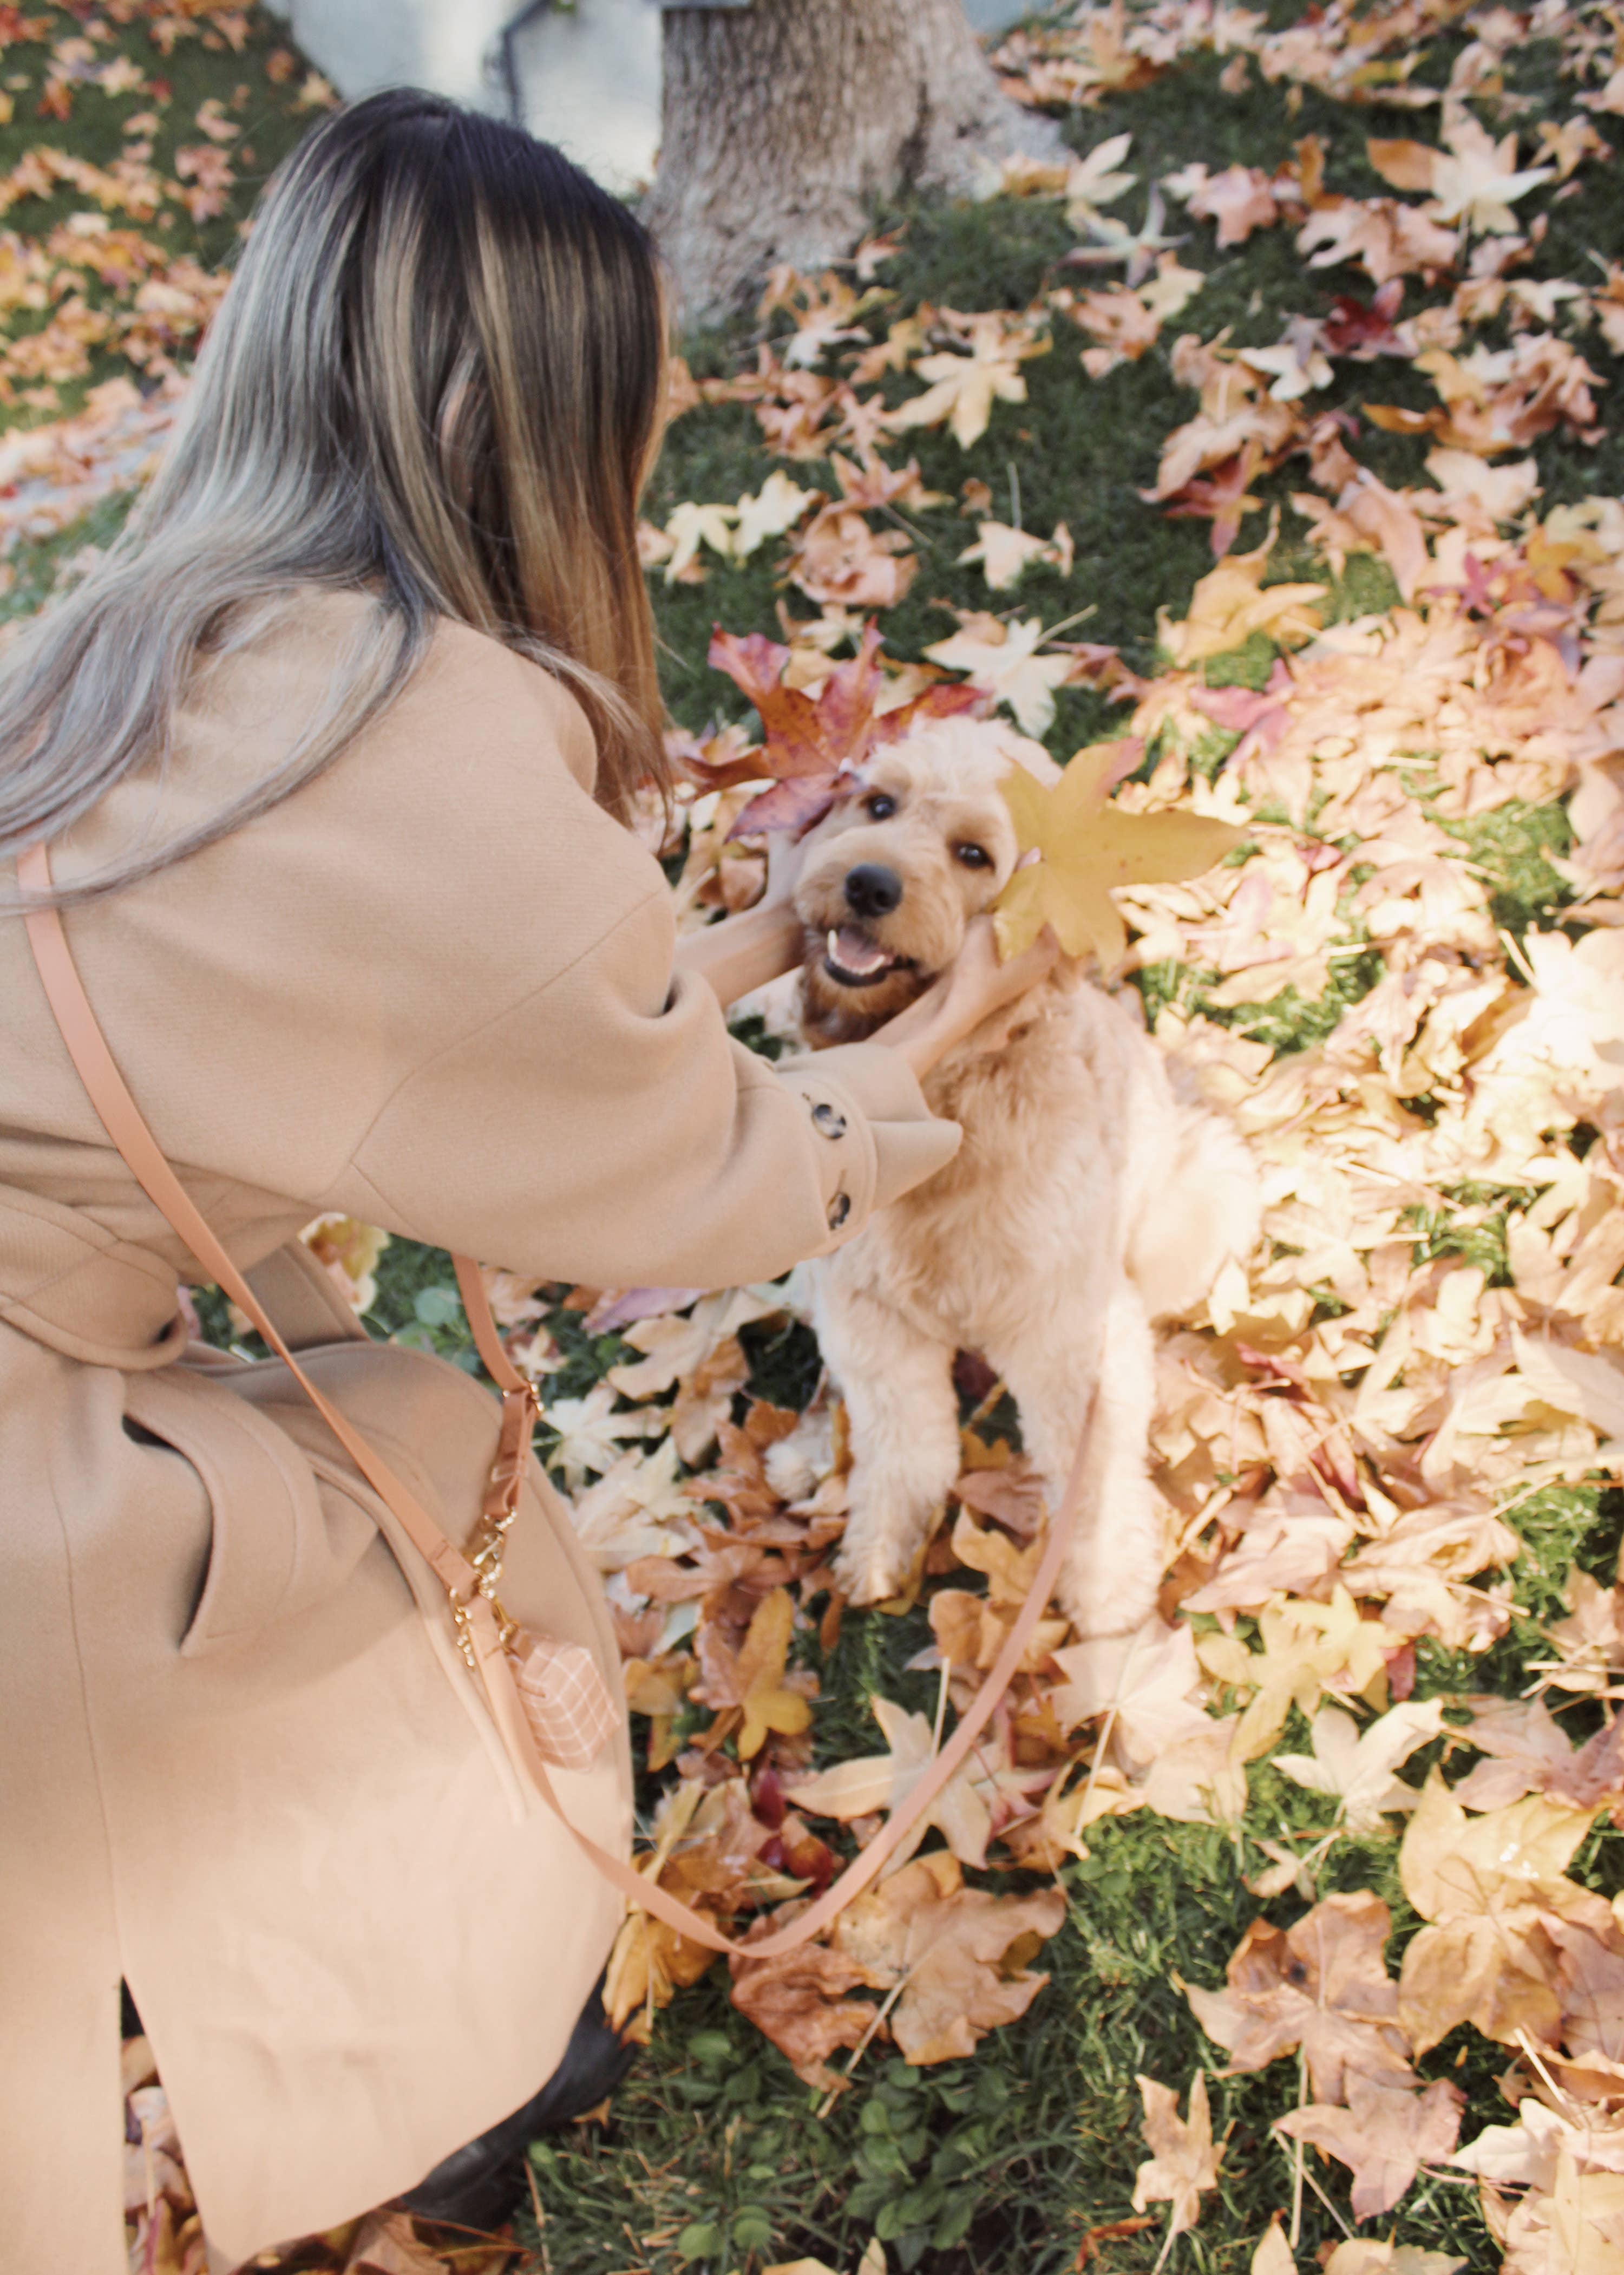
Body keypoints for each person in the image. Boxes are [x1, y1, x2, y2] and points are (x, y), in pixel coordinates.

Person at [0, 89, 1057, 2274]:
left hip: (63, 1362)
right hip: (42, 1476)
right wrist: (895, 1090)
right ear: (517, 415)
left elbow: (382, 1006)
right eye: (631, 413)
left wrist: (719, 955)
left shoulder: (122, 641)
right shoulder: (424, 729)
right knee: (436, 1605)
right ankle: (465, 2076)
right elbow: (691, 1180)